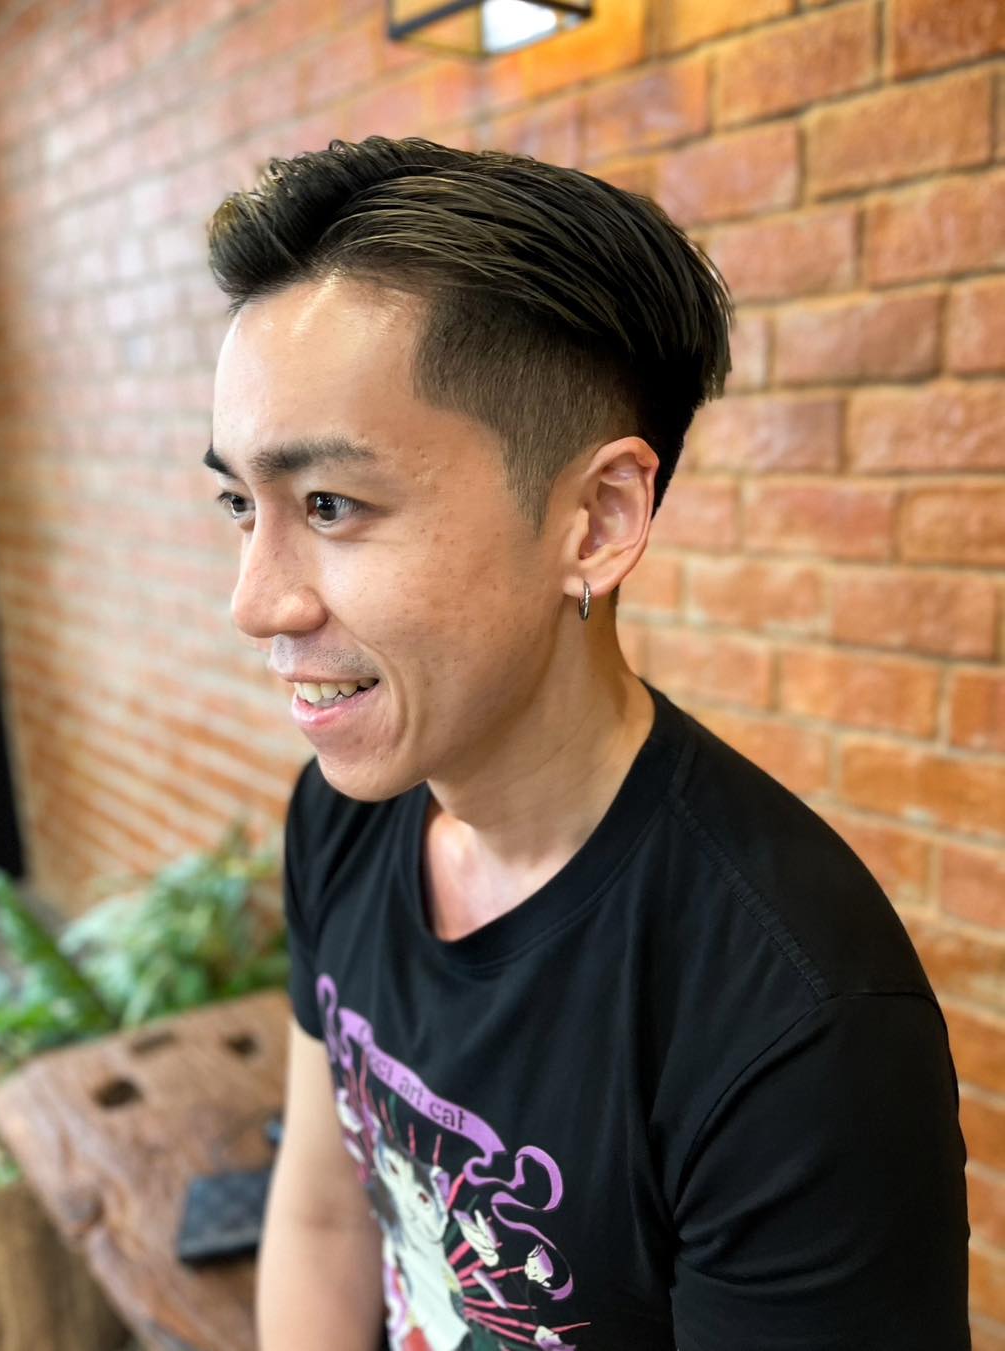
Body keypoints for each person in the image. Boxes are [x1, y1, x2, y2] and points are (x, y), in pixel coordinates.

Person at [203, 135, 971, 1351]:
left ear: (599, 521)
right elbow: (324, 1211)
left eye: (331, 505)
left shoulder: (798, 1022)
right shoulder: (342, 812)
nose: (255, 600)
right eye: (243, 504)